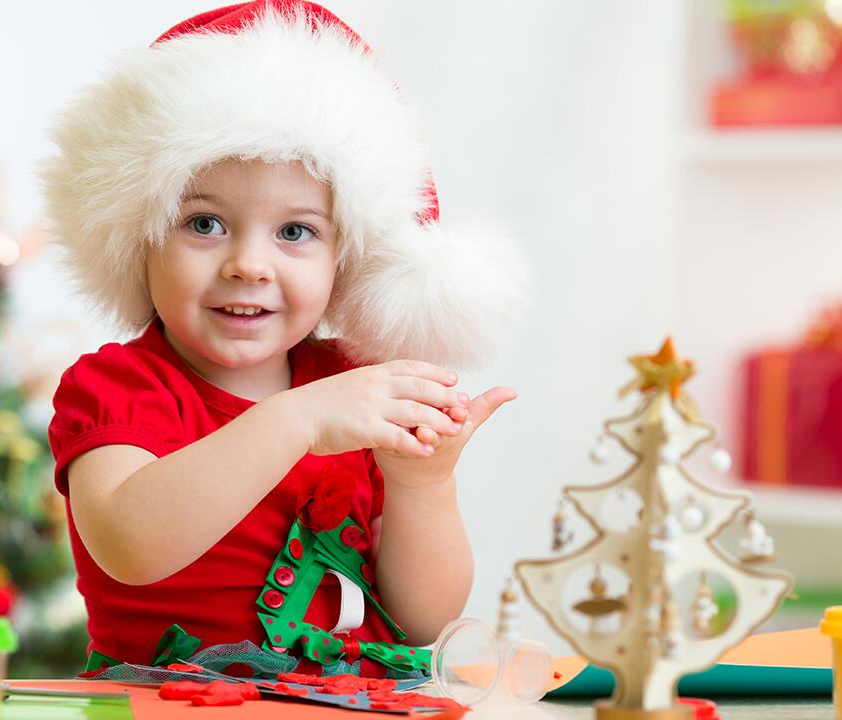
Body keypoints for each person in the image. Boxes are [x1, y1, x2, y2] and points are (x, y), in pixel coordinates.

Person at [43, 0, 529, 678]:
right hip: (166, 701)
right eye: (205, 224)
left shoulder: (354, 386)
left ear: (347, 260)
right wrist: (297, 419)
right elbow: (130, 543)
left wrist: (423, 485)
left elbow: (427, 619)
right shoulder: (119, 386)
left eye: (295, 232)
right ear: (140, 235)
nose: (249, 264)